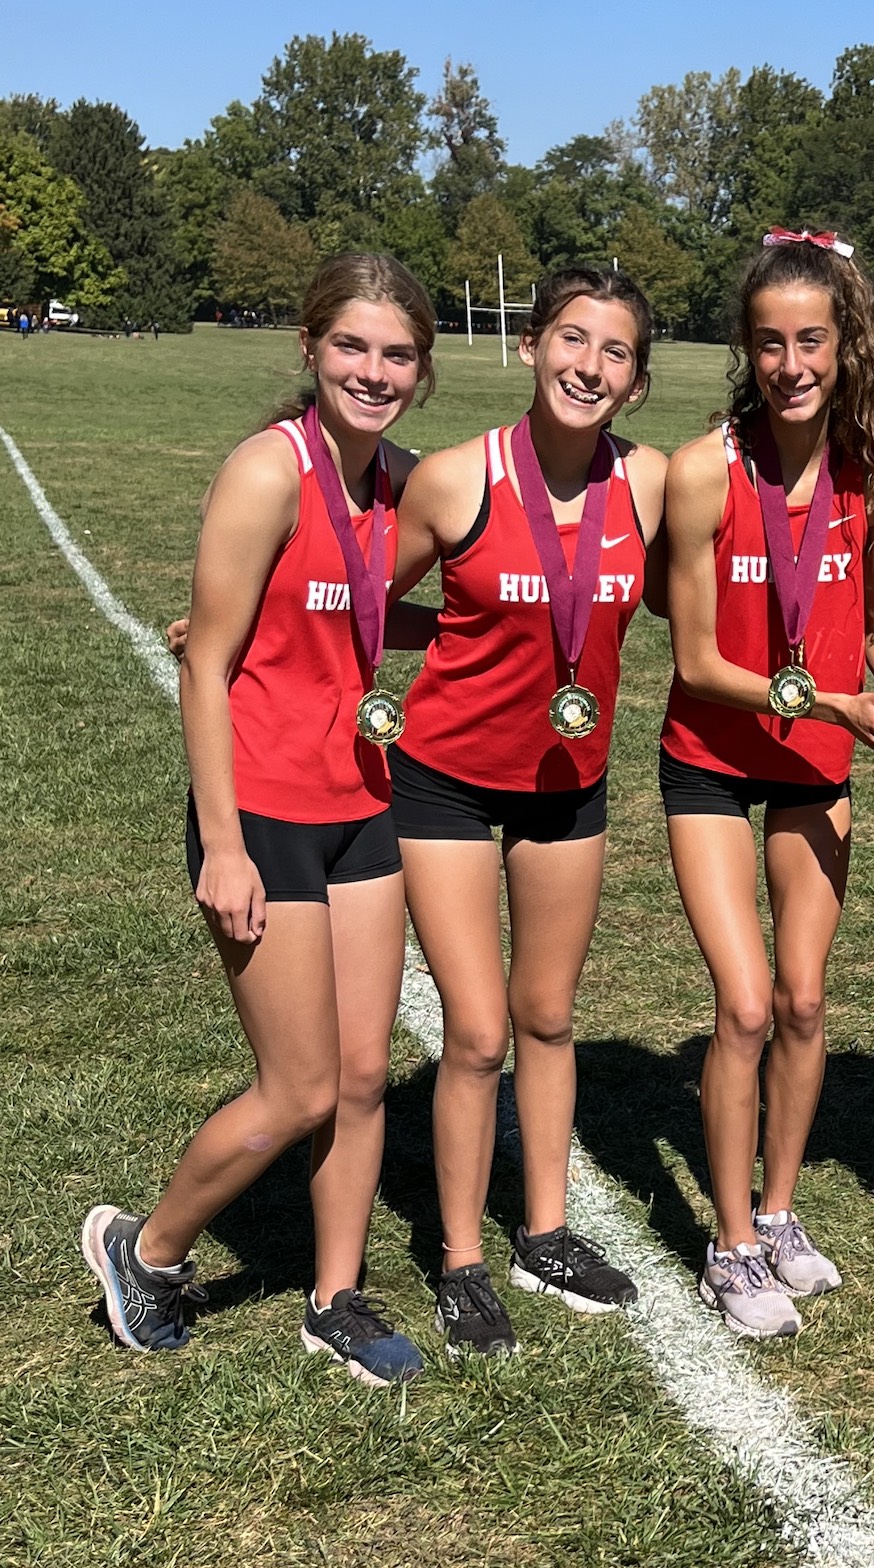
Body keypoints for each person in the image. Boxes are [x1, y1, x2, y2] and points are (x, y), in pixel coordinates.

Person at [81, 254, 436, 1385]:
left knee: (369, 1073)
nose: (371, 372)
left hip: (362, 805)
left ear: (420, 371)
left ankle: (334, 1294)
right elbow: (208, 663)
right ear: (310, 345)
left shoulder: (400, 483)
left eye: (394, 354)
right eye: (352, 347)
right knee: (301, 1087)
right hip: (266, 814)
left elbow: (373, 606)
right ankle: (146, 1248)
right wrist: (225, 843)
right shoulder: (264, 471)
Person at [389, 265, 668, 1356]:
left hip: (570, 783)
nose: (586, 365)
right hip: (446, 777)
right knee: (476, 1029)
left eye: (612, 352)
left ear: (635, 380)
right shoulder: (458, 479)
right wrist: (234, 627)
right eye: (569, 338)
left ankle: (544, 1230)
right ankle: (461, 1255)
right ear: (528, 345)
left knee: (548, 1016)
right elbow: (368, 598)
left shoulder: (646, 485)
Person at [653, 229, 874, 1339]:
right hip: (714, 758)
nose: (790, 363)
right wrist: (834, 702)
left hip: (815, 762)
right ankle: (725, 1246)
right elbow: (698, 661)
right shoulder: (702, 469)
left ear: (844, 340)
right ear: (744, 349)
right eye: (767, 342)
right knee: (747, 1002)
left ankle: (777, 1210)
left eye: (810, 339)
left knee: (807, 1001)